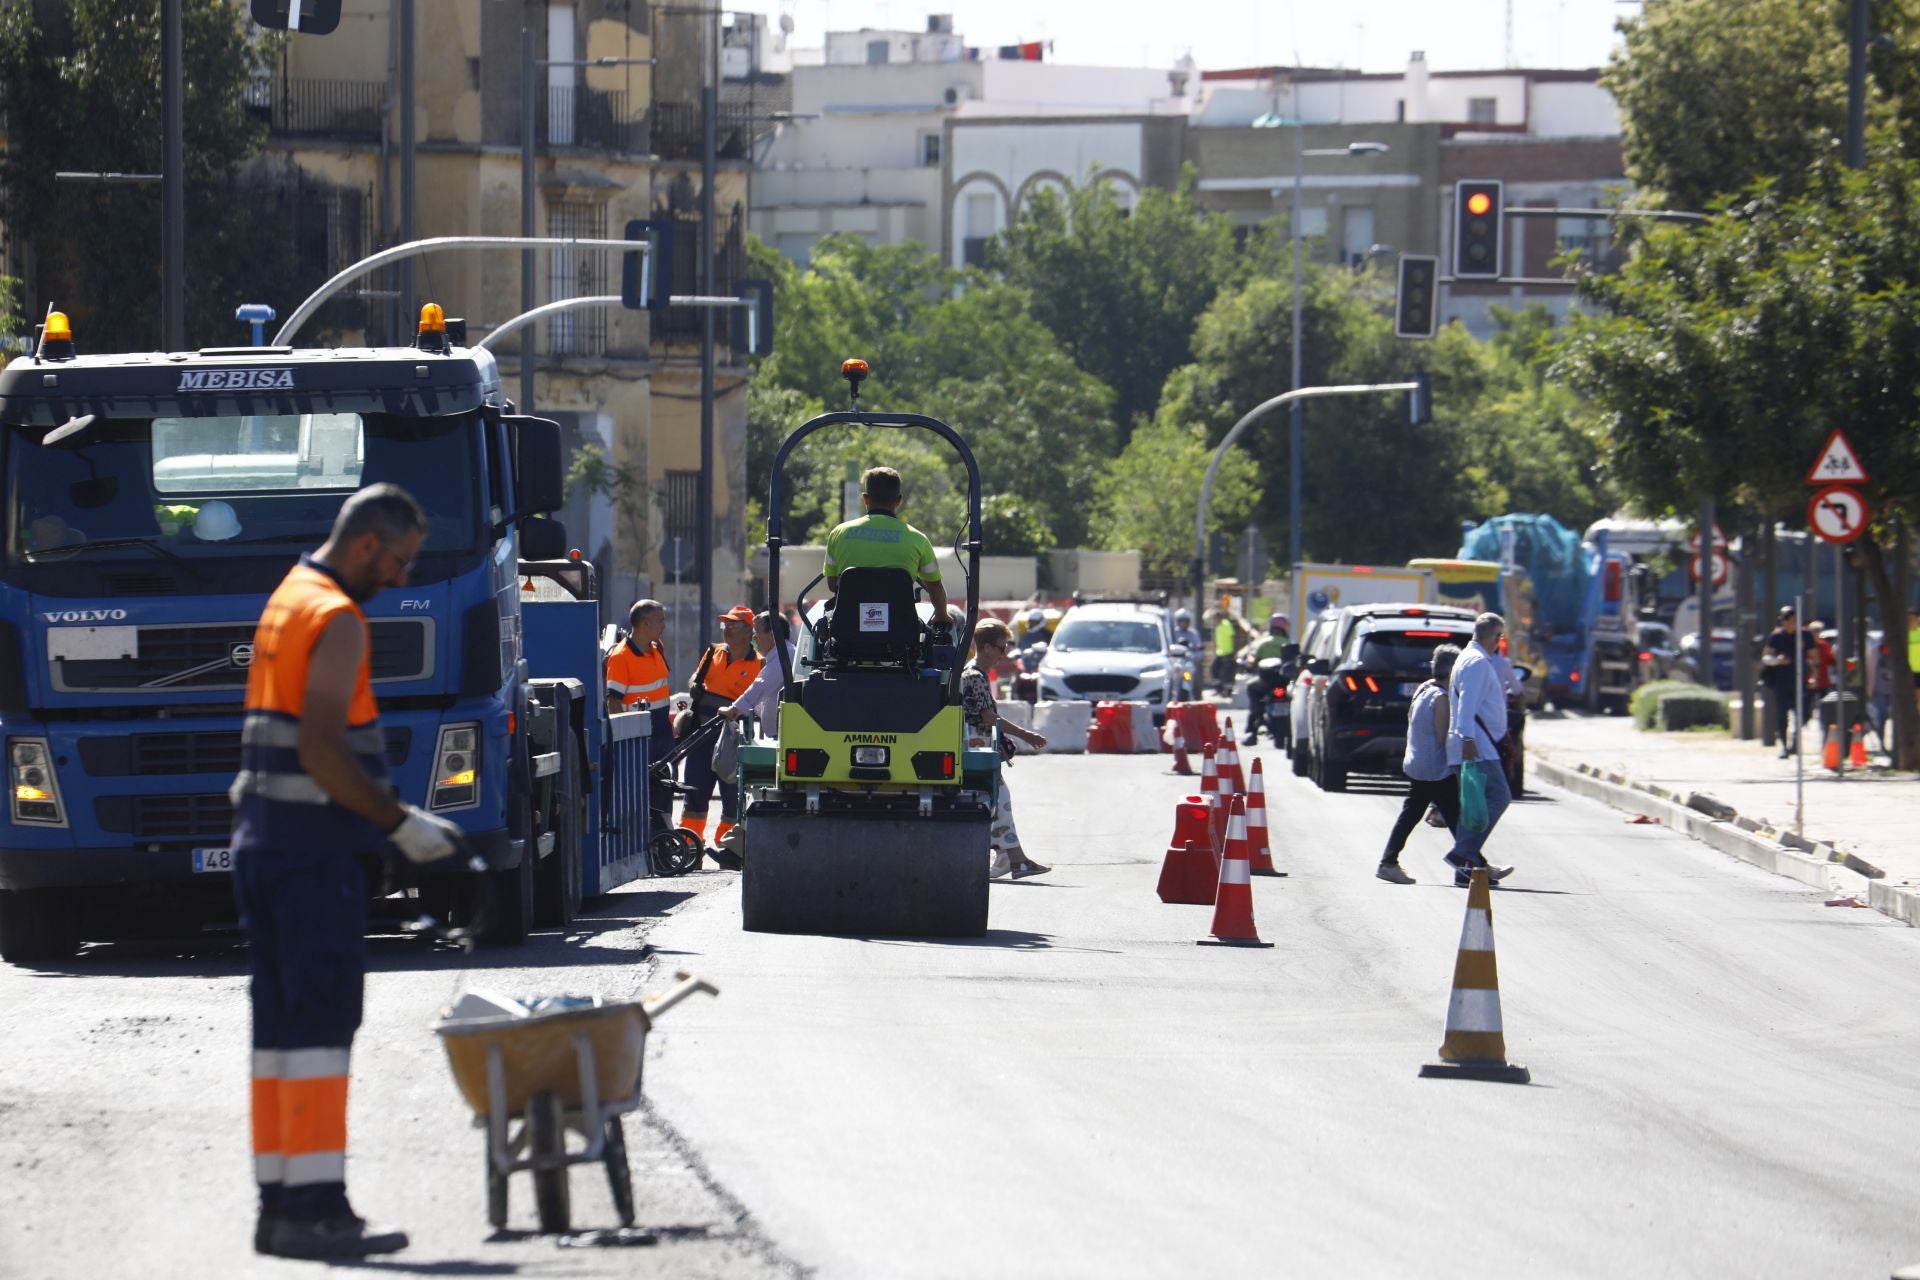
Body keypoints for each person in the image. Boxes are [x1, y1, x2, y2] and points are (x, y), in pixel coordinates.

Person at [231, 484, 465, 1260]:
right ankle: (318, 1209)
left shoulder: (286, 599)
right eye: (399, 562)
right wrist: (402, 826)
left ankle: (282, 1205)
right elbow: (322, 750)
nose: (401, 578)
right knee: (323, 1034)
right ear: (367, 546)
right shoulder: (336, 619)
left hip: (265, 848)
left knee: (282, 1037)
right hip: (313, 858)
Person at [961, 618, 1050, 879]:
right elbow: (989, 718)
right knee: (999, 799)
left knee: (998, 800)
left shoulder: (974, 674)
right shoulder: (974, 676)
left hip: (979, 748)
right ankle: (1015, 859)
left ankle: (1008, 857)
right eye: (1001, 647)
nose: (1004, 653)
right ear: (987, 647)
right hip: (976, 749)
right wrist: (1025, 734)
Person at [1378, 644, 1464, 884]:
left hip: (1418, 764)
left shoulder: (1424, 690)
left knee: (1415, 814)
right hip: (1435, 769)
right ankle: (1472, 865)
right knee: (1456, 817)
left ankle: (1388, 861)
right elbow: (1442, 736)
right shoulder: (1441, 698)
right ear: (1452, 671)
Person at [678, 605, 763, 848]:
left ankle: (727, 847)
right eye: (725, 625)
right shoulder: (713, 651)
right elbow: (696, 676)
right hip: (701, 736)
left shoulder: (760, 663)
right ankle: (689, 845)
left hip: (732, 739)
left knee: (731, 796)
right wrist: (695, 684)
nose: (727, 630)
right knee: (694, 791)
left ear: (748, 632)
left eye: (733, 626)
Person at [1444, 612, 1517, 887]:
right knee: (1499, 796)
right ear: (1497, 637)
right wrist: (1467, 740)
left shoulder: (1471, 658)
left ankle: (1465, 866)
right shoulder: (1476, 662)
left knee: (1473, 806)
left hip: (1474, 743)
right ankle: (1463, 853)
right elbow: (1468, 706)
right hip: (1476, 746)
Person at [822, 466, 948, 620]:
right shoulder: (918, 539)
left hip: (847, 628)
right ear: (898, 500)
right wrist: (942, 615)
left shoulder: (839, 534)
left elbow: (832, 585)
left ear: (866, 498)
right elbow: (935, 587)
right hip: (901, 631)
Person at [606, 599, 673, 834]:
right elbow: (613, 701)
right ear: (645, 624)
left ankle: (662, 839)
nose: (664, 625)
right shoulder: (621, 656)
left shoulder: (658, 648)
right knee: (639, 791)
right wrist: (621, 740)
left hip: (662, 731)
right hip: (638, 737)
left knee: (664, 787)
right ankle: (641, 840)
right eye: (660, 620)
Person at [720, 613, 796, 737]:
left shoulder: (785, 654)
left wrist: (734, 709)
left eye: (757, 632)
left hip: (782, 735)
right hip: (778, 734)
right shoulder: (778, 655)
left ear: (772, 635)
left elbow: (761, 685)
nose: (753, 637)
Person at [1241, 614, 1292, 746]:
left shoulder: (1263, 643)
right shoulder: (1289, 644)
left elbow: (1252, 660)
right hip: (1284, 684)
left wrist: (1248, 665)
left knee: (1251, 687)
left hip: (1266, 683)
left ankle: (1254, 726)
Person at [1760, 605, 1802, 756]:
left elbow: (1813, 656)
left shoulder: (1804, 636)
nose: (1787, 623)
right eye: (1784, 620)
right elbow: (1766, 657)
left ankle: (1796, 741)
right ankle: (1785, 745)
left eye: (1790, 620)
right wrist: (1777, 660)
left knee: (1802, 715)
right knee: (1782, 715)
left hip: (1801, 683)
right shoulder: (1777, 636)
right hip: (1781, 682)